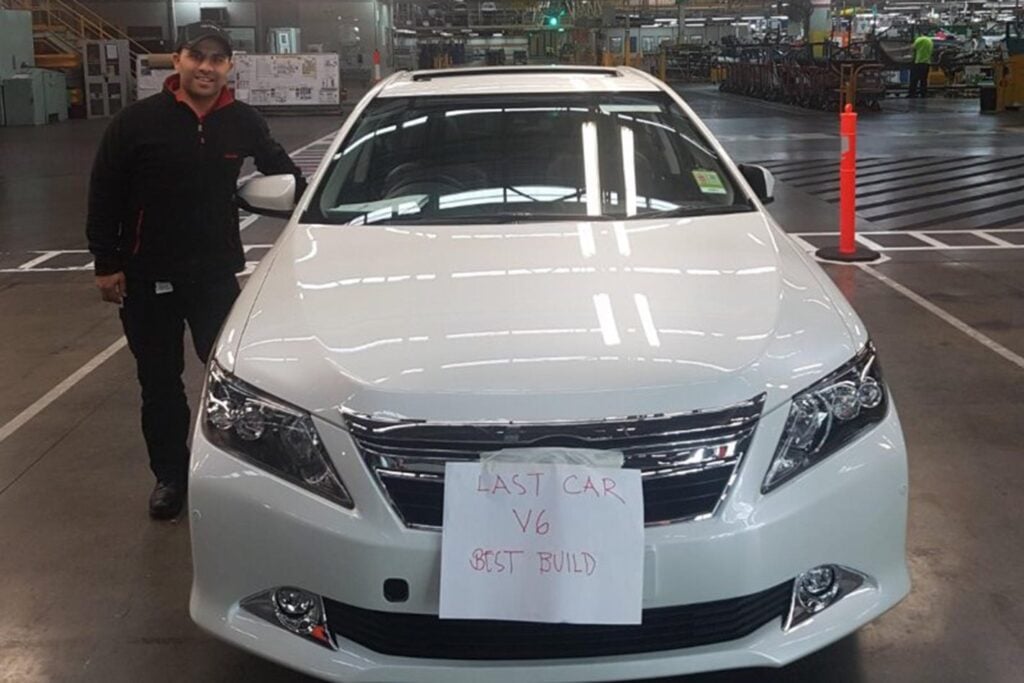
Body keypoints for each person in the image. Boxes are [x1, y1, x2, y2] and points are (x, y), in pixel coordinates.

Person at [86, 22, 305, 519]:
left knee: (234, 380)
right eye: (197, 57)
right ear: (178, 60)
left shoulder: (243, 121)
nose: (207, 67)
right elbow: (105, 193)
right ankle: (170, 477)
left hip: (213, 277)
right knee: (159, 385)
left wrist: (315, 205)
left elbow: (285, 174)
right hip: (147, 278)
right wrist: (106, 262)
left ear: (229, 66)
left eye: (218, 60)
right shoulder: (136, 122)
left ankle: (240, 474)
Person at [909, 34, 934, 99]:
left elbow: (912, 48)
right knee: (924, 80)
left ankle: (912, 94)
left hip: (918, 62)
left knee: (914, 79)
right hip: (927, 62)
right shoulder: (930, 41)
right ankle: (923, 94)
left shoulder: (919, 39)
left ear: (921, 34)